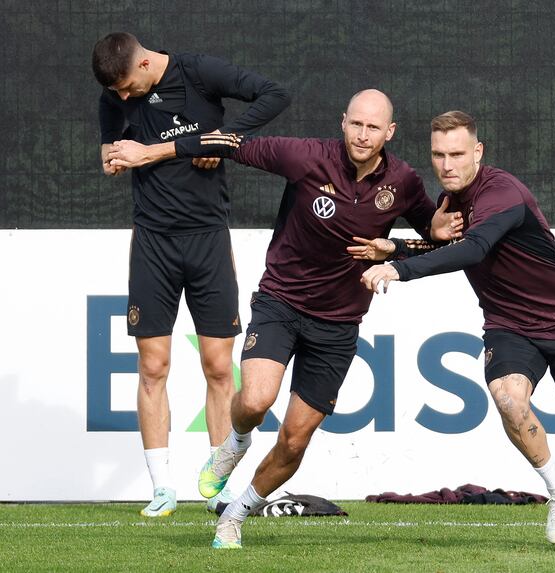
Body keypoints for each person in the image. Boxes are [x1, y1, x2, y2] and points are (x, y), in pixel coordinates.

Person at [106, 89, 462, 548]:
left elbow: (434, 242)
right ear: (343, 122)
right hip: (282, 304)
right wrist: (154, 151)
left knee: (294, 440)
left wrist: (404, 243)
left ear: (389, 133)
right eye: (356, 123)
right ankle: (233, 444)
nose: (363, 134)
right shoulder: (305, 157)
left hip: (338, 325)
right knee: (254, 401)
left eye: (374, 127)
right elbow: (230, 142)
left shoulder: (405, 182)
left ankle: (234, 515)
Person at [357, 111, 555, 550]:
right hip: (508, 325)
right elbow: (454, 243)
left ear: (478, 152)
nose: (447, 165)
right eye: (438, 155)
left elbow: (475, 247)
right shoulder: (451, 202)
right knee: (507, 397)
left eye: (457, 154)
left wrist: (398, 268)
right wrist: (398, 244)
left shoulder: (502, 192)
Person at [92, 32, 290, 517]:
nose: (120, 98)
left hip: (207, 239)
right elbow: (111, 137)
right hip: (153, 242)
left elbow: (275, 94)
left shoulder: (200, 72)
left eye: (124, 88)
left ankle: (219, 485)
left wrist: (223, 139)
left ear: (142, 65)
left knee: (220, 368)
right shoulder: (116, 96)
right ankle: (162, 489)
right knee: (152, 367)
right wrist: (110, 153)